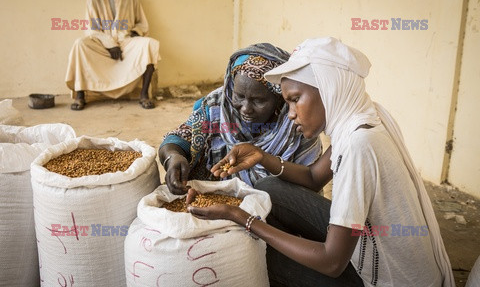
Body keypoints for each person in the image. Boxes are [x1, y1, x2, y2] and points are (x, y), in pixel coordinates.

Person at [187, 37, 455, 287]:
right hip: (370, 242)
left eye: (295, 100)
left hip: (385, 277)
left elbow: (332, 262)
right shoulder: (361, 116)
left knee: (256, 251)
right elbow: (315, 177)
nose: (290, 114)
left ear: (330, 90)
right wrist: (263, 157)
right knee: (271, 188)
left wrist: (240, 217)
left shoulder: (359, 145)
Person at [158, 42, 325, 195]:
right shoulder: (217, 105)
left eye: (258, 100)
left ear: (279, 98)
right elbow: (180, 137)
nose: (246, 109)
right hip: (214, 196)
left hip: (275, 209)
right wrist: (173, 157)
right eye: (239, 96)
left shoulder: (298, 123)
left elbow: (309, 184)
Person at [65, 0, 160, 110]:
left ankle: (144, 94)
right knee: (79, 44)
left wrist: (136, 31)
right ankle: (80, 96)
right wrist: (110, 44)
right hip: (102, 44)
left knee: (150, 45)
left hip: (126, 42)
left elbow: (142, 23)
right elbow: (91, 29)